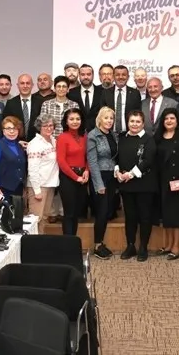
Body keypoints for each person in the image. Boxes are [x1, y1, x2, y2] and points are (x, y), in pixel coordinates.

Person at [117, 111, 157, 262]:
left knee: (145, 217)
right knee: (130, 217)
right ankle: (130, 246)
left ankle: (143, 247)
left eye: (138, 121)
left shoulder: (149, 139)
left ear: (143, 123)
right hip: (126, 186)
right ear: (128, 122)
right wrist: (118, 172)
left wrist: (130, 174)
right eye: (132, 121)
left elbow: (148, 160)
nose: (134, 124)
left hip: (144, 185)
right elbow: (116, 158)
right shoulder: (122, 138)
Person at [154, 108, 179, 259]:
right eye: (166, 119)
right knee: (167, 215)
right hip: (163, 182)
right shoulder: (158, 137)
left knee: (178, 216)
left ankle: (176, 247)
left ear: (177, 121)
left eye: (172, 118)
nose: (169, 121)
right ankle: (169, 245)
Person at [86, 107, 118, 259]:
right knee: (102, 212)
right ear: (100, 119)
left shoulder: (112, 134)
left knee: (108, 211)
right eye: (106, 118)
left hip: (112, 177)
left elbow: (114, 157)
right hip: (99, 178)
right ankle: (97, 245)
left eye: (111, 118)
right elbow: (92, 162)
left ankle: (102, 242)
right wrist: (99, 185)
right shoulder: (93, 135)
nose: (109, 121)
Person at [56, 108, 89, 236]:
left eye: (77, 119)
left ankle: (73, 242)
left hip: (82, 177)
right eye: (71, 119)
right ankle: (67, 244)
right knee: (69, 213)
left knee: (76, 213)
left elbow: (88, 156)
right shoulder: (62, 137)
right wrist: (76, 177)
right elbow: (61, 161)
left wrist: (87, 170)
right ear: (66, 121)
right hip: (68, 178)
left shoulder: (84, 136)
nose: (75, 121)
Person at [25, 115, 59, 224]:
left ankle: (41, 236)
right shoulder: (35, 144)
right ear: (39, 127)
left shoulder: (53, 140)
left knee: (44, 217)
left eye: (51, 125)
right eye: (45, 126)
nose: (49, 128)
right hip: (38, 186)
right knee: (36, 219)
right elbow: (32, 169)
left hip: (50, 184)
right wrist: (37, 190)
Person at [0, 116, 27, 202]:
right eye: (8, 128)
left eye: (14, 128)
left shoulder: (19, 146)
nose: (12, 131)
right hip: (2, 190)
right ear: (3, 131)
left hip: (19, 189)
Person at [101, 65, 141, 134]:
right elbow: (102, 114)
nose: (120, 77)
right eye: (117, 75)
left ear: (128, 77)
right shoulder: (105, 93)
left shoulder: (135, 93)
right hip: (109, 133)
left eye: (124, 75)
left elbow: (138, 114)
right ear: (113, 77)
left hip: (129, 133)